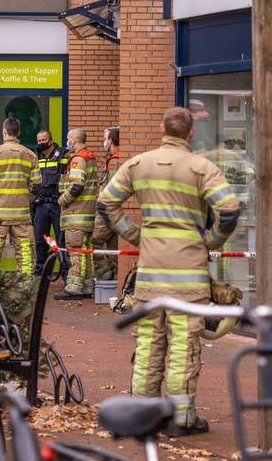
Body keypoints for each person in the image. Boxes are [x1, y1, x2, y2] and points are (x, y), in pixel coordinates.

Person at [97, 107, 240, 437]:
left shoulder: (138, 164)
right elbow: (230, 209)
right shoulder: (202, 167)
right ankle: (182, 418)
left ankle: (141, 414)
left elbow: (106, 204)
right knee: (183, 347)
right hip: (188, 275)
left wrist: (137, 235)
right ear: (191, 132)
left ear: (162, 129)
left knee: (148, 344)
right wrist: (210, 240)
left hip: (150, 273)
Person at [0, 117, 40, 274]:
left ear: (4, 132)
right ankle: (25, 284)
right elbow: (37, 186)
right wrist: (25, 199)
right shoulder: (30, 155)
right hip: (21, 215)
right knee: (25, 253)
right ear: (19, 132)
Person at [55, 129, 99, 300]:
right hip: (87, 214)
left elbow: (77, 186)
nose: (67, 142)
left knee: (75, 251)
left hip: (76, 214)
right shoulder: (90, 157)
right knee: (86, 252)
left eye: (68, 139)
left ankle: (73, 289)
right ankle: (86, 286)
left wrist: (62, 200)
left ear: (73, 140)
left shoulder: (78, 159)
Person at [32, 129, 69, 277]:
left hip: (57, 205)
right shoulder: (36, 157)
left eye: (44, 140)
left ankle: (65, 273)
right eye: (39, 140)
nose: (41, 143)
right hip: (41, 205)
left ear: (51, 140)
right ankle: (40, 274)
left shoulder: (64, 155)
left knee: (62, 241)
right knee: (40, 241)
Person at [92, 127, 121, 281]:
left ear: (110, 141)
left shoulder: (115, 161)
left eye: (105, 138)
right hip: (114, 211)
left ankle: (104, 272)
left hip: (108, 211)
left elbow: (114, 188)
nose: (103, 142)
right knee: (113, 246)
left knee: (93, 241)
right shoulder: (113, 159)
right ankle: (115, 277)